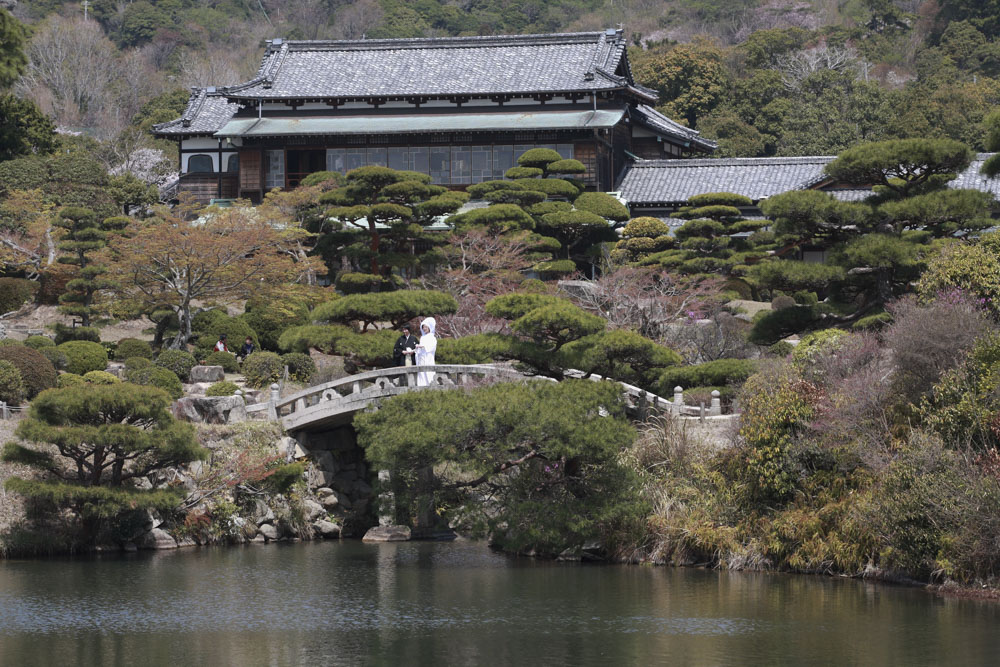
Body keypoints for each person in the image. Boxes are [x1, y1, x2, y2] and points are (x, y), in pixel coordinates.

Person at [414, 317, 437, 387]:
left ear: (429, 328)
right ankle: (421, 386)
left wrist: (423, 347)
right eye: (423, 327)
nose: (424, 329)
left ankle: (430, 386)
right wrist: (417, 348)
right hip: (421, 359)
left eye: (426, 327)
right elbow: (419, 349)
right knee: (421, 373)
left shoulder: (432, 337)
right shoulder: (422, 337)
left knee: (429, 373)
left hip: (428, 358)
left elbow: (431, 347)